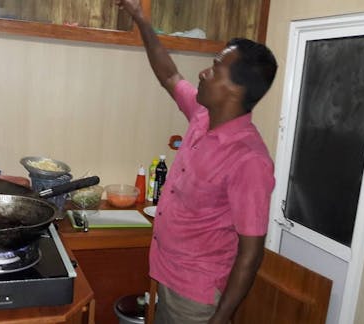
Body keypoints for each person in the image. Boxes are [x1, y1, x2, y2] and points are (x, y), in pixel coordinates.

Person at [115, 1, 278, 323]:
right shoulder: (203, 116)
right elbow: (169, 74)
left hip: (197, 298)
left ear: (235, 90)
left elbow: (251, 251)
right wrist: (140, 19)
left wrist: (220, 318)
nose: (203, 73)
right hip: (167, 274)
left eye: (215, 68)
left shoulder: (249, 160)